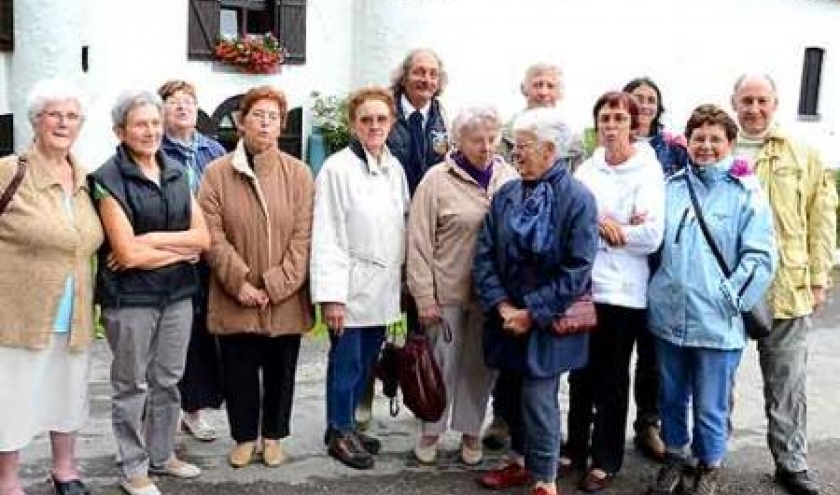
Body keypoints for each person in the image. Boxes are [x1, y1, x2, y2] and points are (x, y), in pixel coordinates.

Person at [645, 104, 777, 495]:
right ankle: (674, 457)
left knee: (710, 403)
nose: (705, 146)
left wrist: (727, 297)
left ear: (730, 144)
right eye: (698, 138)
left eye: (715, 139)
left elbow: (760, 256)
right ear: (687, 142)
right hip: (669, 316)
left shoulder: (745, 194)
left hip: (718, 321)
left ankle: (709, 466)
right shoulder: (669, 189)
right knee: (669, 397)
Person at [474, 108, 599, 495]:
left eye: (523, 146)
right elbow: (484, 254)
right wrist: (503, 307)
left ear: (550, 150)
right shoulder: (508, 193)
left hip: (548, 321)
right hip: (508, 318)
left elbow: (578, 269)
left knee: (538, 398)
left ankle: (545, 479)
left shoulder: (577, 198)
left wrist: (533, 313)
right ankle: (519, 462)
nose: (515, 153)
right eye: (514, 146)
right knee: (509, 393)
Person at [92, 89, 209, 495]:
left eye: (155, 123)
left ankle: (163, 455)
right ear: (120, 131)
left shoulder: (176, 169)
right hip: (130, 301)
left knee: (168, 379)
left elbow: (203, 239)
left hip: (177, 296)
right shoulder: (106, 179)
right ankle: (133, 467)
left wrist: (152, 242)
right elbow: (124, 253)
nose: (151, 131)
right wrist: (178, 249)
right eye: (141, 124)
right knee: (131, 385)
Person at [730, 74, 837, 495]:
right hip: (731, 289)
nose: (753, 109)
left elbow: (821, 218)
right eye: (746, 101)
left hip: (787, 287)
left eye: (761, 101)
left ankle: (791, 463)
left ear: (775, 104)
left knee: (787, 384)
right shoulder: (720, 148)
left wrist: (818, 278)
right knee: (719, 382)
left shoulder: (803, 152)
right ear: (733, 104)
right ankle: (711, 457)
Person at [198, 85, 314, 468]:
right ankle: (245, 437)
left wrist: (276, 284)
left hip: (285, 297)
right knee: (240, 369)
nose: (266, 123)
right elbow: (211, 235)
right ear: (242, 122)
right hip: (237, 294)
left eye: (273, 117)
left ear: (281, 125)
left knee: (282, 370)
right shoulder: (216, 174)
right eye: (258, 115)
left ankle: (273, 436)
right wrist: (241, 283)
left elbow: (304, 236)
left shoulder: (298, 174)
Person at [0, 80, 103, 495]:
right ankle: (6, 478)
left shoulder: (85, 178)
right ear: (35, 121)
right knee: (12, 398)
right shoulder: (9, 170)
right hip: (17, 309)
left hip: (74, 311)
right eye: (53, 114)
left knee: (67, 393)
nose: (63, 122)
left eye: (72, 115)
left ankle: (65, 470)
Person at [564, 91, 665, 492]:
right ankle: (576, 448)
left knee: (611, 377)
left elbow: (652, 236)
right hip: (587, 288)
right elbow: (573, 228)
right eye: (604, 118)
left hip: (624, 293)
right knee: (579, 375)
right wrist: (617, 228)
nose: (610, 126)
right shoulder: (586, 172)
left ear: (633, 124)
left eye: (619, 119)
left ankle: (606, 459)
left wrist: (612, 229)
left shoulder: (648, 171)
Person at [407, 107, 519, 466]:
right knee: (440, 366)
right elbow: (419, 242)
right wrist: (424, 297)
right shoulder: (436, 179)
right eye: (477, 140)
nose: (486, 147)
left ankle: (471, 432)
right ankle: (431, 431)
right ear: (458, 141)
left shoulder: (509, 176)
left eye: (492, 138)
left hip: (492, 297)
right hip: (447, 292)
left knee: (480, 368)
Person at [310, 87, 410, 470]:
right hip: (350, 287)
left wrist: (401, 284)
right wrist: (332, 297)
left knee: (366, 362)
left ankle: (346, 424)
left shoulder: (393, 167)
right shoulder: (337, 168)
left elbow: (399, 223)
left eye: (381, 119)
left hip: (381, 287)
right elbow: (328, 234)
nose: (374, 125)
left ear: (391, 123)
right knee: (346, 363)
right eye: (366, 119)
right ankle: (338, 431)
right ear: (353, 124)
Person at [158, 79, 227, 443]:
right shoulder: (154, 150)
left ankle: (194, 411)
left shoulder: (214, 149)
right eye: (173, 102)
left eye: (188, 101)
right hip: (170, 255)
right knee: (170, 336)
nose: (182, 107)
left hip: (210, 257)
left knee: (203, 335)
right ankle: (160, 414)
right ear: (161, 110)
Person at [387, 48, 450, 196]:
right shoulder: (384, 114)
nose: (426, 80)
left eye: (433, 74)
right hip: (392, 205)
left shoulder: (445, 119)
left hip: (431, 207)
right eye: (419, 72)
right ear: (403, 78)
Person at [623, 77, 689, 177]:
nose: (645, 106)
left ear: (658, 108)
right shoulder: (613, 146)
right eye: (638, 99)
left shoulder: (674, 145)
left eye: (651, 101)